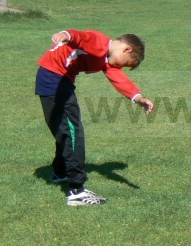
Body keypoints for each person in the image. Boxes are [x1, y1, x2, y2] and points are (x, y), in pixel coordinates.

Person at [35, 30, 154, 205]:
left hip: (55, 80)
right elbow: (82, 37)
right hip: (55, 82)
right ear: (127, 49)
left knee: (65, 131)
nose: (121, 67)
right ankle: (76, 190)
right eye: (126, 63)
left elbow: (117, 77)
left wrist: (137, 97)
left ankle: (60, 173)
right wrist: (67, 35)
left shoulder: (105, 56)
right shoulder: (100, 43)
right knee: (73, 133)